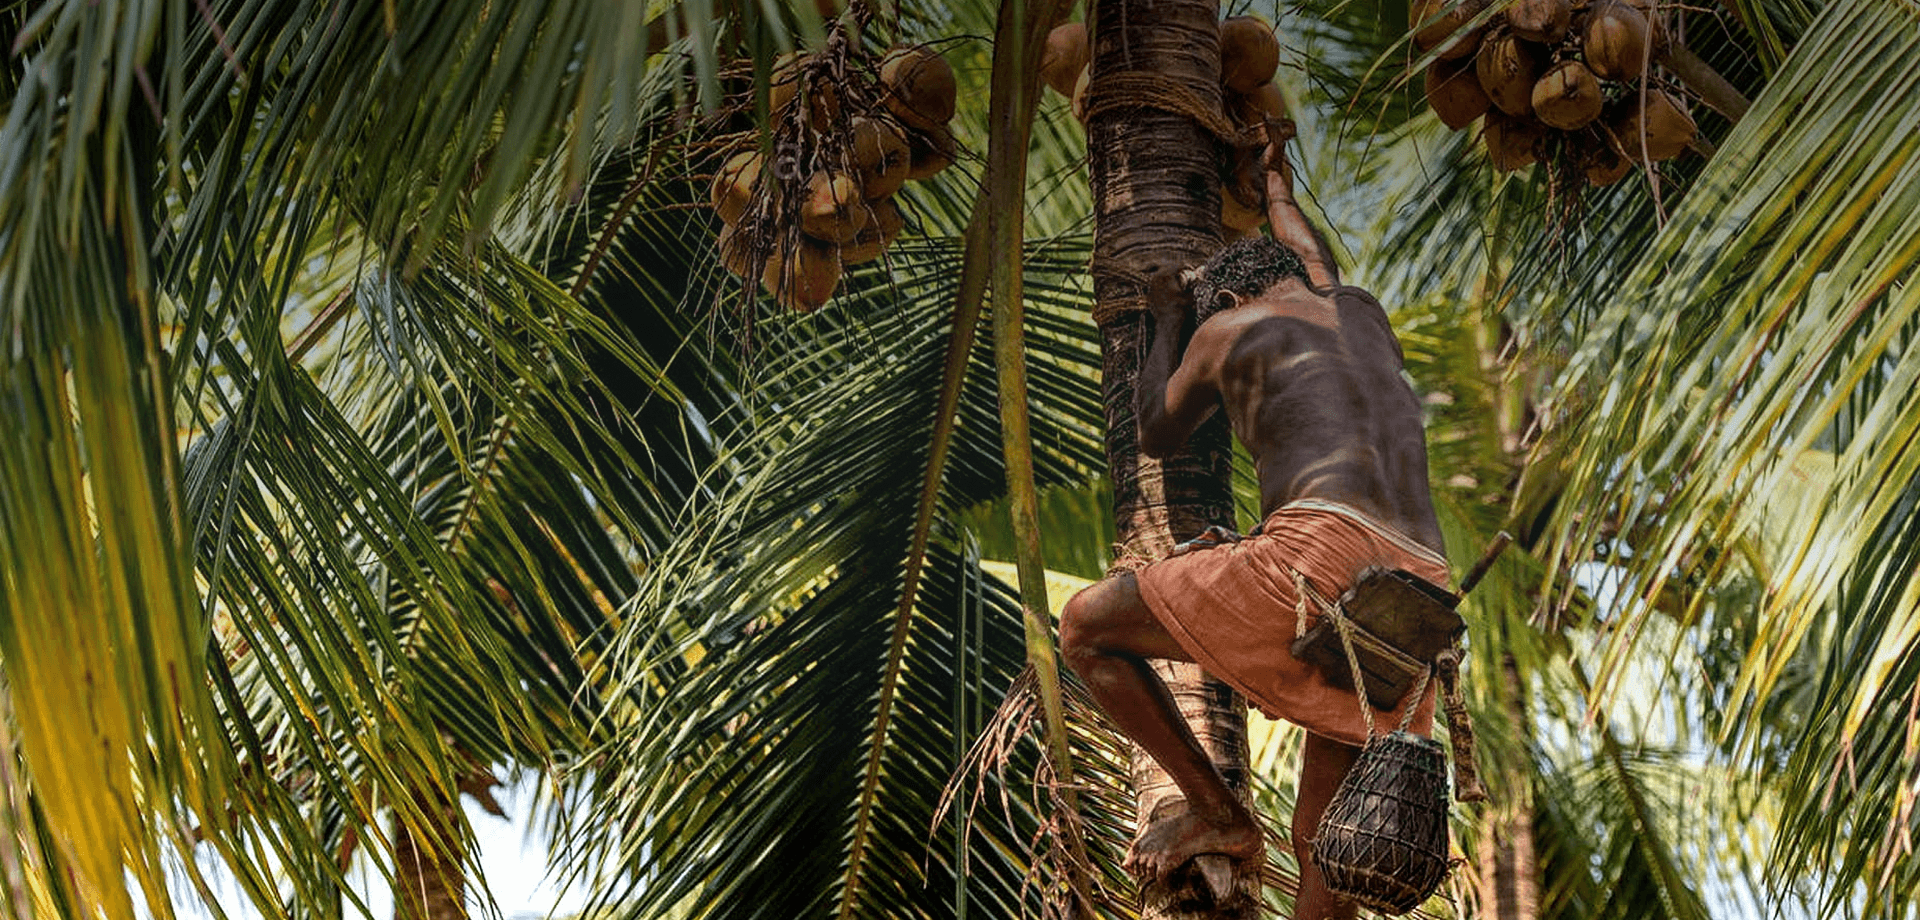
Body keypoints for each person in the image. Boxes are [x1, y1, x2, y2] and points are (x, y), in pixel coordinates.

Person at [1057, 121, 1449, 920]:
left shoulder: (1226, 327)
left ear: (1228, 300)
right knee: (1326, 849)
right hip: (1420, 591)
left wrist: (1171, 316)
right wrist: (1275, 190)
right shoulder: (1359, 312)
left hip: (1318, 554)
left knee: (1085, 629)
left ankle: (1218, 811)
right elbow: (1313, 262)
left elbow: (1158, 431)